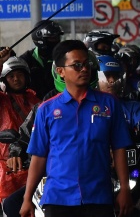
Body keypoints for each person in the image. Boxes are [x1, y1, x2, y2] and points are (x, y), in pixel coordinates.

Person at [20, 40, 133, 217]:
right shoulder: (46, 110)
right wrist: (27, 198)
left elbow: (119, 148)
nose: (84, 69)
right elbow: (39, 156)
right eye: (77, 65)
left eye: (86, 64)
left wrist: (125, 188)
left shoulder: (109, 104)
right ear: (61, 71)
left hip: (99, 197)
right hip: (58, 199)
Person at [0, 54, 41, 202]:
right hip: (7, 165)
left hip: (35, 160)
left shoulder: (36, 100)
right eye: (11, 76)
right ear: (4, 80)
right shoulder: (2, 100)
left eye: (19, 75)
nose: (16, 79)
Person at [18, 20, 64, 99]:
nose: (56, 41)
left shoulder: (64, 58)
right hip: (31, 106)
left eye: (57, 38)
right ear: (40, 40)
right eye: (52, 38)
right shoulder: (25, 60)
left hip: (60, 104)